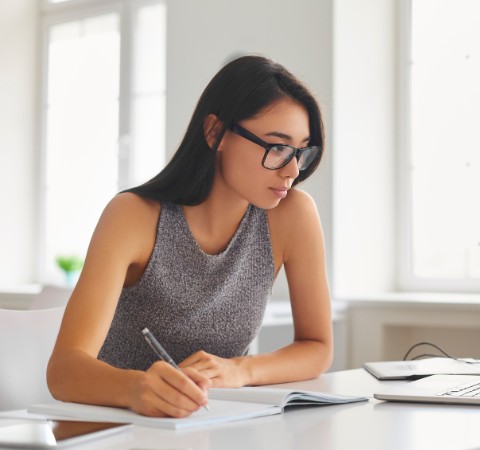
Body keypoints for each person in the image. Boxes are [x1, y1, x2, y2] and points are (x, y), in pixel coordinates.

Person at [46, 55, 333, 418]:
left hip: (213, 425)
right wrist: (136, 388)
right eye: (276, 147)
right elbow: (63, 371)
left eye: (300, 151)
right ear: (216, 132)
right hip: (116, 427)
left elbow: (317, 346)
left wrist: (240, 370)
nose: (292, 170)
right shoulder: (133, 216)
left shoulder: (293, 214)